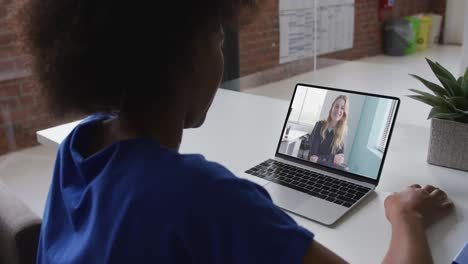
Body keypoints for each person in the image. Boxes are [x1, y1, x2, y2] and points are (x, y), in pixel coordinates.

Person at [14, 0, 454, 263]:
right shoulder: (202, 195)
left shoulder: (79, 145)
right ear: (183, 56)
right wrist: (406, 216)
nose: (220, 56)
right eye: (218, 40)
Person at [309, 95, 348, 169]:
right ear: (332, 107)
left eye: (342, 108)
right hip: (314, 169)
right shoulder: (319, 125)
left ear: (344, 113)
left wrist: (319, 159)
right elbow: (312, 157)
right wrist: (332, 158)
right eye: (336, 106)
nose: (338, 110)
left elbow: (339, 161)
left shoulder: (342, 133)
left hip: (330, 172)